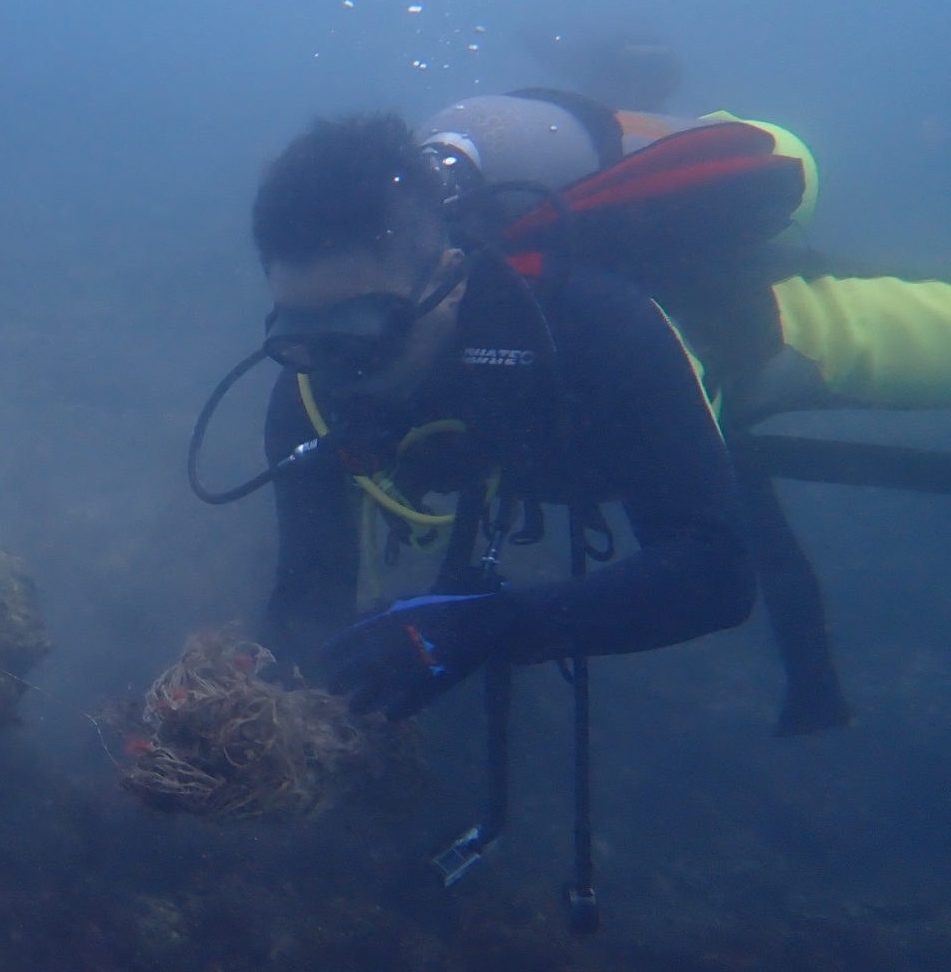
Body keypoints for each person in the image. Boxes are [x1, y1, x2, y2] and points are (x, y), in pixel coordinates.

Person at [418, 90, 951, 735]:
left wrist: (476, 633)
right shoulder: (384, 341)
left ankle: (703, 131)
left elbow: (712, 570)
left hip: (766, 329)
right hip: (706, 339)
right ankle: (687, 124)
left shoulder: (583, 319)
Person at [252, 113, 755, 719]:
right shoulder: (308, 381)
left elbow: (717, 573)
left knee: (765, 353)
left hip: (694, 355)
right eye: (299, 330)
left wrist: (498, 625)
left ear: (449, 279)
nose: (333, 369)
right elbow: (311, 589)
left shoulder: (593, 325)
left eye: (362, 330)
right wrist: (254, 709)